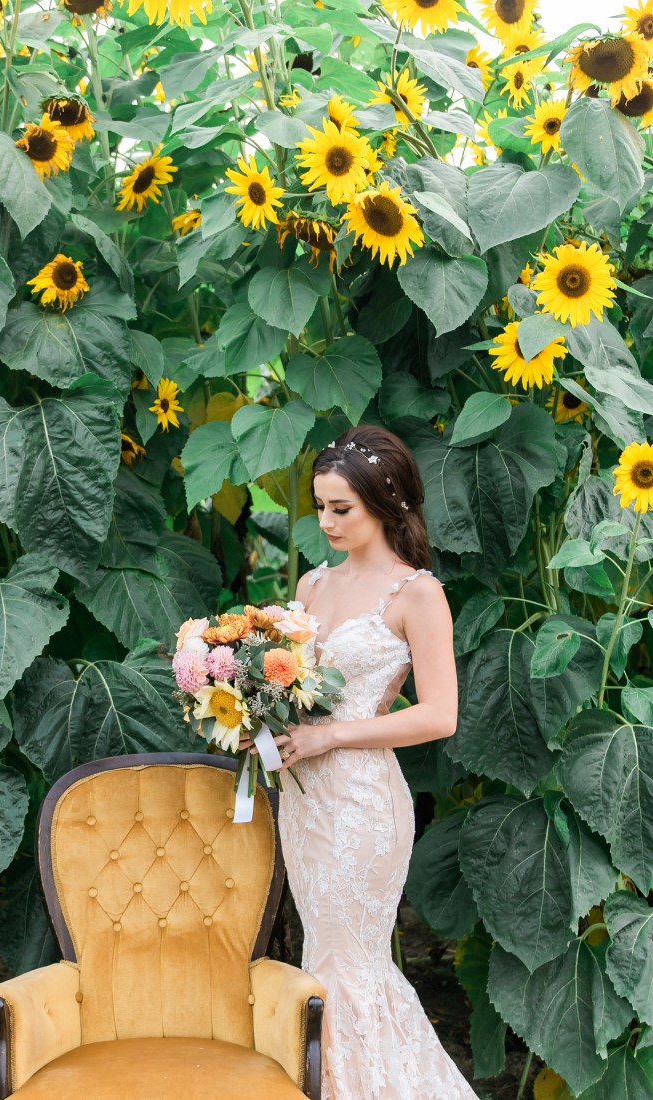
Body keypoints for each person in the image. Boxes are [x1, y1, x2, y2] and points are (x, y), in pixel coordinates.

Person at [272, 425, 478, 1100]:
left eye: (342, 508)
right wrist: (257, 720)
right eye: (320, 507)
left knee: (350, 964)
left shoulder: (417, 594)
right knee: (322, 957)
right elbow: (295, 690)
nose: (326, 522)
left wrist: (333, 737)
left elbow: (439, 715)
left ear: (386, 504)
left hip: (361, 804)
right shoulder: (312, 584)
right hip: (303, 799)